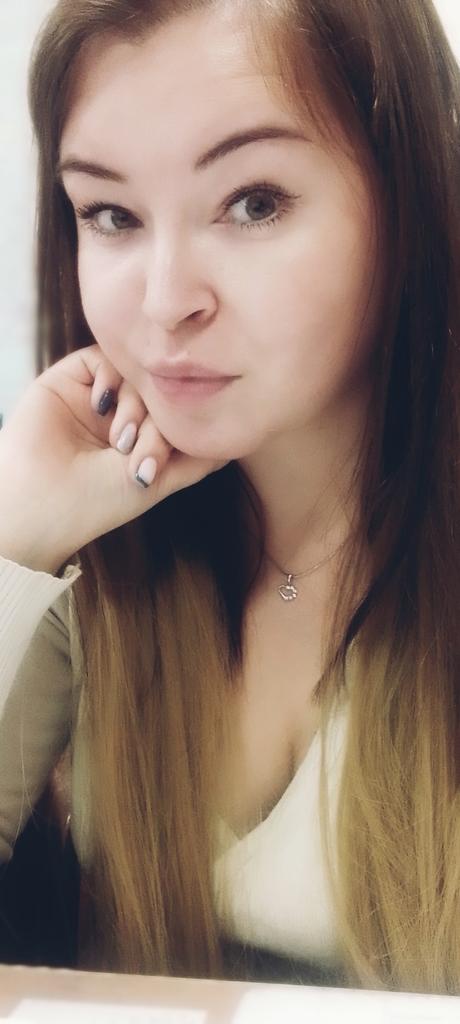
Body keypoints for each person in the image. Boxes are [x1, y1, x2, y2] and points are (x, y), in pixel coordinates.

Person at [0, 0, 458, 995]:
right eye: (110, 214)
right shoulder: (99, 554)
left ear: (409, 201)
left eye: (253, 202)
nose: (166, 302)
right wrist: (14, 536)